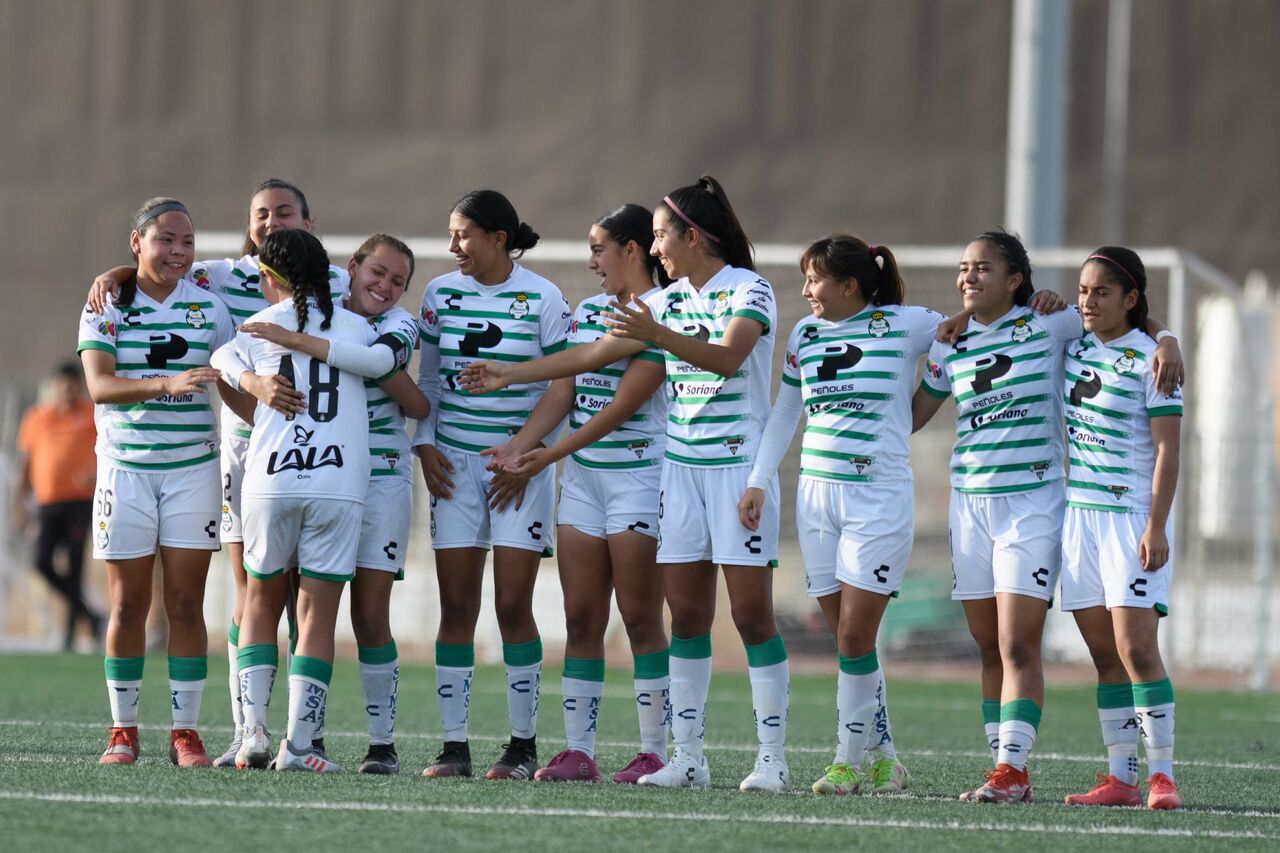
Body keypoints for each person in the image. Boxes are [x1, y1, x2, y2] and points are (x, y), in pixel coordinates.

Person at [461, 176, 791, 793]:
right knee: (687, 615)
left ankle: (772, 758)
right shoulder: (662, 306)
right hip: (680, 472)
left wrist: (654, 334)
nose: (657, 247)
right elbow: (588, 359)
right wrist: (510, 373)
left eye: (663, 236)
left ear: (694, 236)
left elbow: (724, 359)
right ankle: (687, 757)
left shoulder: (750, 289)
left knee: (750, 615)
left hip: (736, 470)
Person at [911, 229, 1182, 803]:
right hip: (977, 505)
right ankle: (1014, 770)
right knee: (996, 646)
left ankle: (1045, 770)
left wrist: (1170, 338)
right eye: (964, 267)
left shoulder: (1051, 324)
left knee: (1024, 644)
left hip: (1041, 504)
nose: (969, 277)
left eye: (983, 267)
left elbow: (1134, 330)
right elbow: (916, 412)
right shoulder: (949, 341)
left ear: (1015, 280)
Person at [87, 178, 350, 767]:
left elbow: (379, 318)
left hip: (287, 452)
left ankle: (285, 732)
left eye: (285, 212)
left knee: (254, 599)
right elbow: (158, 268)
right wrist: (114, 275)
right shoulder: (215, 277)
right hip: (219, 456)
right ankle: (230, 729)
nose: (272, 221)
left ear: (308, 223)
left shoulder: (336, 284)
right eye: (262, 212)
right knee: (241, 594)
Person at [740, 235, 940, 796]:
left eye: (814, 279)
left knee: (855, 634)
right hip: (815, 499)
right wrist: (758, 480)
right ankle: (886, 760)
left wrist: (1161, 336)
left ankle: (846, 761)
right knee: (848, 639)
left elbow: (974, 331)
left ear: (850, 285)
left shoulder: (906, 324)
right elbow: (785, 413)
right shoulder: (806, 333)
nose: (805, 290)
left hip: (877, 498)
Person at [226, 234, 428, 774]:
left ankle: (379, 744)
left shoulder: (395, 326)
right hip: (339, 478)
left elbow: (399, 383)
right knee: (300, 606)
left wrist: (286, 346)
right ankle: (295, 740)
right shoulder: (341, 317)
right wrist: (256, 385)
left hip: (378, 479)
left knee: (367, 613)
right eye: (376, 273)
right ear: (349, 270)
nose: (384, 287)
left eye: (397, 281)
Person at [485, 204, 672, 784]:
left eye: (599, 249)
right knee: (580, 615)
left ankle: (654, 751)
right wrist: (520, 447)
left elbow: (624, 406)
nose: (591, 261)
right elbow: (566, 391)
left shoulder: (665, 311)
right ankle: (579, 751)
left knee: (641, 618)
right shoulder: (590, 311)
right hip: (585, 482)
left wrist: (546, 457)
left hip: (641, 478)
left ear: (633, 250)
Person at [413, 190, 572, 780]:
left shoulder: (543, 297)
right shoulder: (439, 294)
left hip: (518, 468)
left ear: (498, 238)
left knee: (511, 603)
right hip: (453, 464)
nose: (453, 247)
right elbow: (428, 379)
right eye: (451, 235)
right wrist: (425, 444)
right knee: (456, 603)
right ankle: (454, 747)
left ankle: (522, 745)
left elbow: (563, 388)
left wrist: (518, 450)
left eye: (463, 235)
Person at [77, 197, 235, 767]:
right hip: (125, 470)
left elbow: (231, 379)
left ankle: (185, 733)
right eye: (165, 239)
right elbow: (100, 386)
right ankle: (123, 730)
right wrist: (167, 385)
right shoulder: (105, 305)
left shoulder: (209, 308)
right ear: (136, 241)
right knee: (128, 606)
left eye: (186, 242)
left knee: (187, 605)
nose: (177, 251)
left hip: (194, 469)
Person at [211, 228, 375, 773]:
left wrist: (254, 383)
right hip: (337, 482)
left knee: (259, 600)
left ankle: (252, 733)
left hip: (270, 479)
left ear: (267, 278)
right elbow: (384, 365)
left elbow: (220, 358)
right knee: (316, 614)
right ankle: (299, 746)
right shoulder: (357, 326)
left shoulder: (258, 327)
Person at [1058, 247, 1183, 810]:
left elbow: (1167, 451)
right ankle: (1121, 779)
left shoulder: (1154, 361)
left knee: (1137, 648)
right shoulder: (1073, 342)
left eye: (1101, 292)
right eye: (1083, 291)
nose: (1087, 301)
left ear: (1130, 299)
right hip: (1078, 518)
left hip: (1131, 517)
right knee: (1104, 654)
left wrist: (1155, 525)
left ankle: (1162, 776)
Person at [13, 362, 103, 649]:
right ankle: (89, 613)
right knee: (41, 562)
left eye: (73, 384)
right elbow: (25, 462)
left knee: (75, 565)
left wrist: (96, 472)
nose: (68, 390)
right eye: (63, 384)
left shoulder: (90, 414)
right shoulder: (37, 417)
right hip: (47, 503)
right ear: (54, 386)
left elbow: (106, 448)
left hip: (79, 501)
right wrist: (19, 501)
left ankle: (69, 634)